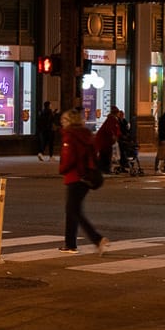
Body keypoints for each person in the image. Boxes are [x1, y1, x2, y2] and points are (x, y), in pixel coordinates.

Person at [58, 108, 108, 255]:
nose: (62, 123)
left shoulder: (70, 136)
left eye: (64, 120)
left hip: (74, 176)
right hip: (86, 176)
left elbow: (68, 158)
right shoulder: (86, 134)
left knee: (74, 211)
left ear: (68, 122)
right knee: (72, 210)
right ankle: (70, 244)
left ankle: (97, 239)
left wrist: (62, 169)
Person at [94, 107, 123, 173]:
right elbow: (111, 129)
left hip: (104, 140)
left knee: (104, 154)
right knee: (105, 154)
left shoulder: (111, 119)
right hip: (105, 141)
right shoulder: (112, 119)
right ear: (116, 113)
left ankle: (103, 168)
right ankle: (104, 168)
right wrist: (114, 136)